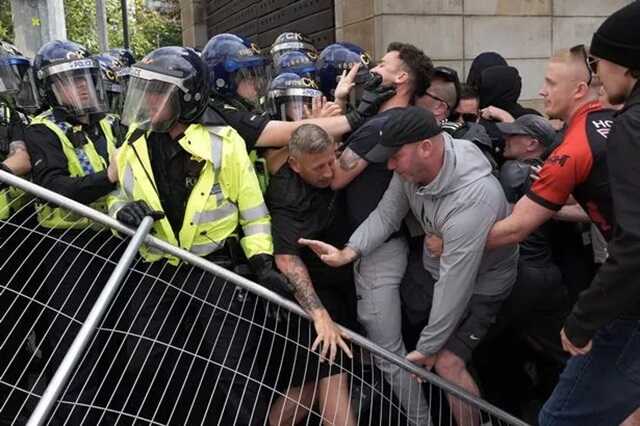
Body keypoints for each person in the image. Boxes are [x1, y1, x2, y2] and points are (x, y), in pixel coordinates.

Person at [108, 46, 292, 424]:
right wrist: (119, 213)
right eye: (144, 90)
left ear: (185, 96)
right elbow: (117, 197)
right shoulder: (132, 144)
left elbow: (253, 211)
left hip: (214, 271)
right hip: (158, 270)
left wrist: (261, 260)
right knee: (150, 359)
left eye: (158, 91)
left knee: (233, 367)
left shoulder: (224, 142)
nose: (147, 100)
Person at [302, 106, 518, 426]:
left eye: (395, 156)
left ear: (426, 148)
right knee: (425, 331)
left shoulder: (474, 198)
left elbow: (454, 285)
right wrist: (350, 252)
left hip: (481, 286)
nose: (389, 164)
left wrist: (429, 347)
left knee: (447, 363)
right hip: (438, 273)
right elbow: (387, 214)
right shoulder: (410, 172)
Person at [538, 2, 640, 424]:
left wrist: (582, 321)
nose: (597, 75)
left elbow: (636, 242)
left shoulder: (630, 127)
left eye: (599, 63)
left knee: (561, 419)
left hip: (631, 309)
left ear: (628, 64)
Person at [330, 42, 434, 425]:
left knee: (389, 354)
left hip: (375, 253)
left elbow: (336, 176)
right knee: (381, 350)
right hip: (382, 247)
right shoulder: (403, 120)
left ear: (401, 77)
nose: (372, 68)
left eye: (382, 64)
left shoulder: (381, 126)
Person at [266, 124, 356, 426]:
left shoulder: (336, 166)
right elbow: (287, 259)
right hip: (315, 300)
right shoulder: (286, 192)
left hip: (342, 289)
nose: (330, 172)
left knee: (306, 391)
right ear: (295, 164)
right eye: (319, 167)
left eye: (332, 161)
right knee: (332, 377)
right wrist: (319, 315)